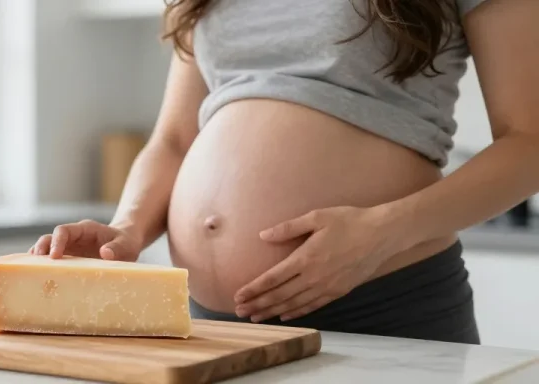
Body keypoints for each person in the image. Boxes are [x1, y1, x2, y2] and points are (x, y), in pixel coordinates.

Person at [30, 0, 539, 344]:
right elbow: (174, 140)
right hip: (215, 328)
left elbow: (530, 142)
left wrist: (381, 233)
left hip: (380, 307)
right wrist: (126, 230)